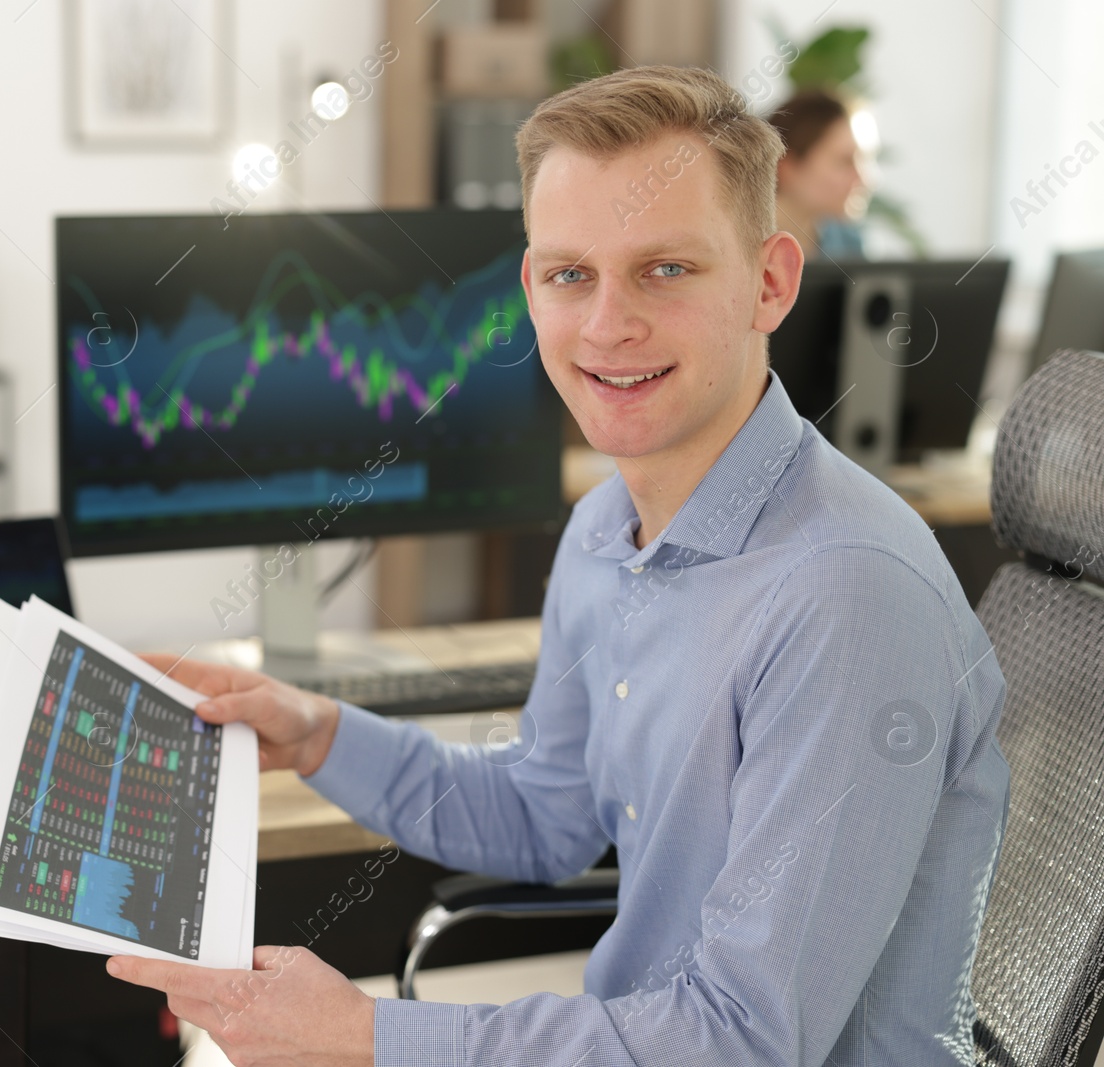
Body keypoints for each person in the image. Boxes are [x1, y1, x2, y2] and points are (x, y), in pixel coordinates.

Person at [108, 64, 1009, 1067]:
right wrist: (316, 731)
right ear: (531, 287)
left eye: (665, 269)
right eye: (569, 273)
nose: (606, 323)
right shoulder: (601, 529)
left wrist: (371, 1036)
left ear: (769, 282)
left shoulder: (844, 595)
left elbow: (742, 1039)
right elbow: (543, 814)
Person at [767, 89, 869, 259]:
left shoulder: (848, 245)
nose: (861, 179)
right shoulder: (736, 245)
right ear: (786, 166)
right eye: (844, 162)